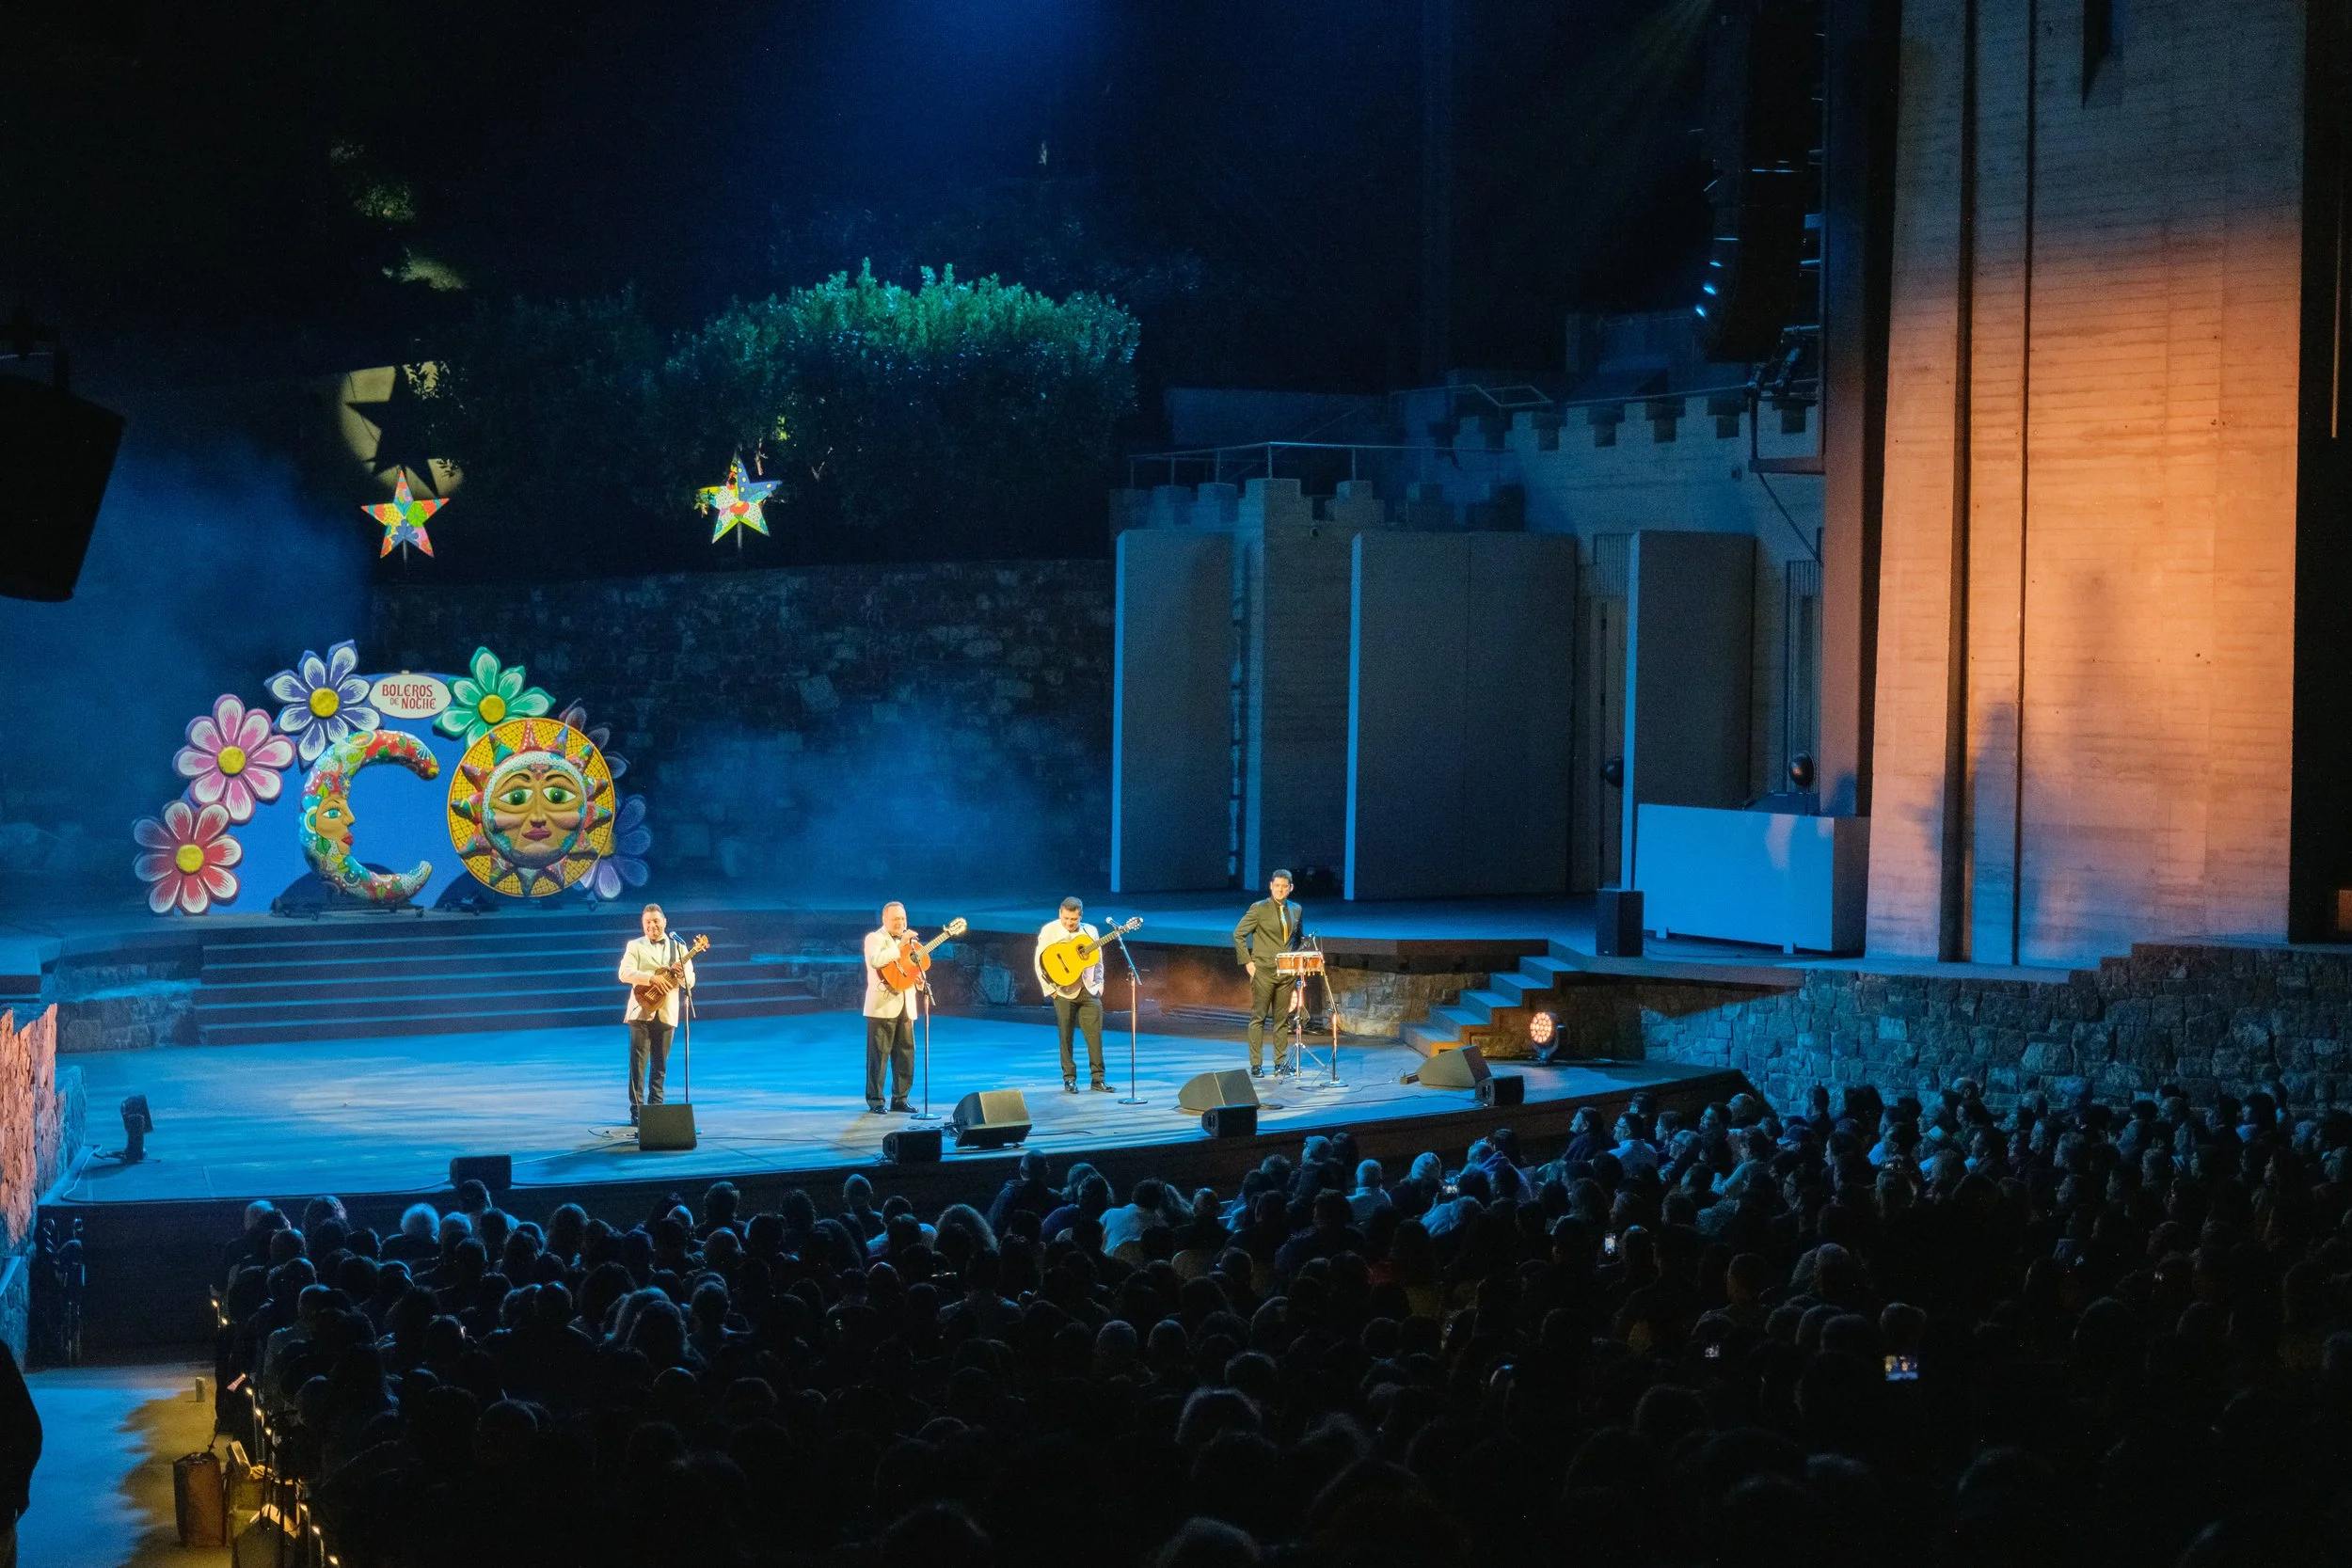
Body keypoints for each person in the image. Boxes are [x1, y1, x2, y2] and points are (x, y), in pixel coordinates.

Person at [616, 903, 695, 1126]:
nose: (652, 926)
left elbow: (690, 982)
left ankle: (657, 1110)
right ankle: (638, 1113)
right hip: (641, 1011)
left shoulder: (679, 948)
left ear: (665, 922)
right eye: (647, 922)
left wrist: (679, 976)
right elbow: (625, 973)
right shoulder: (635, 946)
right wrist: (651, 978)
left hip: (667, 1013)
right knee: (638, 1066)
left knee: (660, 1066)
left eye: (656, 921)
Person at [1232, 868, 1303, 1075]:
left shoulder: (1296, 909)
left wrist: (1295, 961)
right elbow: (1239, 934)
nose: (1280, 890)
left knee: (1281, 1019)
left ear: (1290, 888)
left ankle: (1280, 1063)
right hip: (1263, 971)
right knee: (1259, 1017)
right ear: (1271, 886)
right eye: (1277, 886)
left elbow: (1298, 938)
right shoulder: (1259, 908)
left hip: (1286, 974)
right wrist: (1248, 962)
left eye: (1284, 887)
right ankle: (1256, 1064)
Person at [1036, 896, 1110, 1093]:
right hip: (1063, 991)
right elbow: (1040, 962)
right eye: (1067, 918)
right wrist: (1049, 989)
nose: (1070, 923)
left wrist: (1099, 984)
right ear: (1060, 913)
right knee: (1066, 1036)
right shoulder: (1050, 930)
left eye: (1074, 919)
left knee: (1095, 1037)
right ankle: (1069, 1079)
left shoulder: (1090, 931)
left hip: (1089, 990)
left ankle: (1098, 1079)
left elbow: (1098, 961)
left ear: (1080, 917)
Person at [863, 901, 923, 1113]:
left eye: (903, 918)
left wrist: (918, 980)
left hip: (906, 1004)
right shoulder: (874, 938)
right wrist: (900, 945)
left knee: (906, 1054)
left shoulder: (911, 943)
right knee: (879, 1056)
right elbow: (876, 960)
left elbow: (909, 970)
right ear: (884, 920)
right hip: (882, 1005)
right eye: (896, 919)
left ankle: (901, 1099)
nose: (901, 923)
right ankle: (876, 1101)